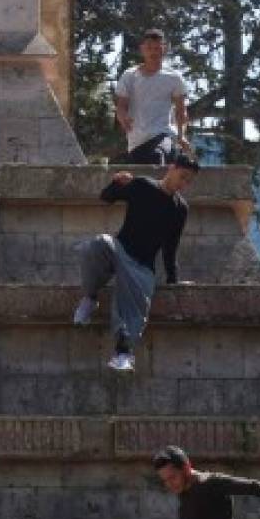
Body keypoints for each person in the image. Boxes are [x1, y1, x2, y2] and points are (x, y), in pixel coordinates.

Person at [73, 155, 199, 373]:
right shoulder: (142, 185)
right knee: (96, 245)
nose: (183, 184)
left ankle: (123, 353)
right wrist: (116, 181)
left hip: (142, 265)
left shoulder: (180, 209)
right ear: (172, 168)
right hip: (119, 249)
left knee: (135, 302)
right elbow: (106, 197)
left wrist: (173, 281)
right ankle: (90, 298)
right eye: (182, 177)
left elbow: (171, 248)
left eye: (188, 181)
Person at [115, 28, 190, 165]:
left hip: (163, 133)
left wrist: (181, 135)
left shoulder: (174, 78)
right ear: (142, 49)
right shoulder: (129, 76)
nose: (153, 52)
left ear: (164, 49)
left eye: (157, 48)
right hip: (137, 141)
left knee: (158, 156)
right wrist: (123, 118)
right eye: (149, 47)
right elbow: (121, 106)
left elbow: (181, 111)